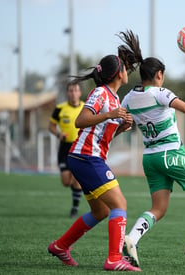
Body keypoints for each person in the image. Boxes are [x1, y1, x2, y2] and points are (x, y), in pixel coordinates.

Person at [117, 30, 185, 267]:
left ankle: (131, 238)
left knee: (158, 208)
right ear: (159, 75)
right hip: (171, 154)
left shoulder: (128, 98)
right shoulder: (160, 93)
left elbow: (122, 123)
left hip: (150, 158)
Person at [47, 54, 141, 271]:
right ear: (118, 73)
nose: (128, 72)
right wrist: (110, 115)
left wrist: (121, 127)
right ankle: (114, 259)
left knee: (101, 212)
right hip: (86, 157)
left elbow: (102, 135)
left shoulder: (115, 99)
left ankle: (60, 246)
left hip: (88, 157)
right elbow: (81, 121)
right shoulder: (101, 93)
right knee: (120, 205)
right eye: (125, 69)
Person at [48, 82, 84, 218]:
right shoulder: (59, 108)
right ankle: (75, 189)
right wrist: (58, 134)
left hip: (79, 147)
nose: (73, 93)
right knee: (66, 181)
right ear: (67, 93)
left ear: (80, 93)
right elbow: (51, 126)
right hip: (64, 148)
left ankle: (74, 209)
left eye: (76, 90)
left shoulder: (85, 107)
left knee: (77, 179)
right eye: (70, 90)